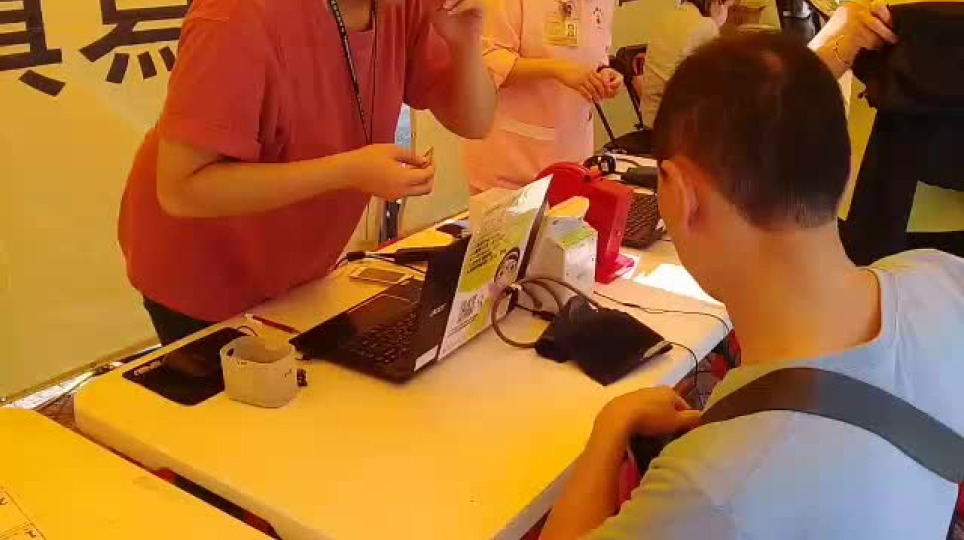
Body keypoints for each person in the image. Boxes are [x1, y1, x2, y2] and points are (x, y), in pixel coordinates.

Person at [540, 11, 964, 540]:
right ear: (842, 169)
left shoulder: (714, 489)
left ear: (679, 192)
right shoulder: (944, 279)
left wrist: (610, 428)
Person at [119, 0, 496, 345]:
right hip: (201, 270)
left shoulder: (401, 8)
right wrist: (348, 171)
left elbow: (475, 122)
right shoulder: (236, 16)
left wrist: (465, 43)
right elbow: (182, 188)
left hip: (297, 268)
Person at [462, 0, 623, 192]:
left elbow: (595, 52)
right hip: (511, 162)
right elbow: (487, 60)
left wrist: (603, 73)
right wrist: (556, 69)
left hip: (574, 155)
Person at [638, 0, 736, 130]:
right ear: (718, 2)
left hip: (649, 121)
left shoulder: (666, 17)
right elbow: (715, 87)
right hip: (677, 128)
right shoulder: (706, 26)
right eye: (728, 7)